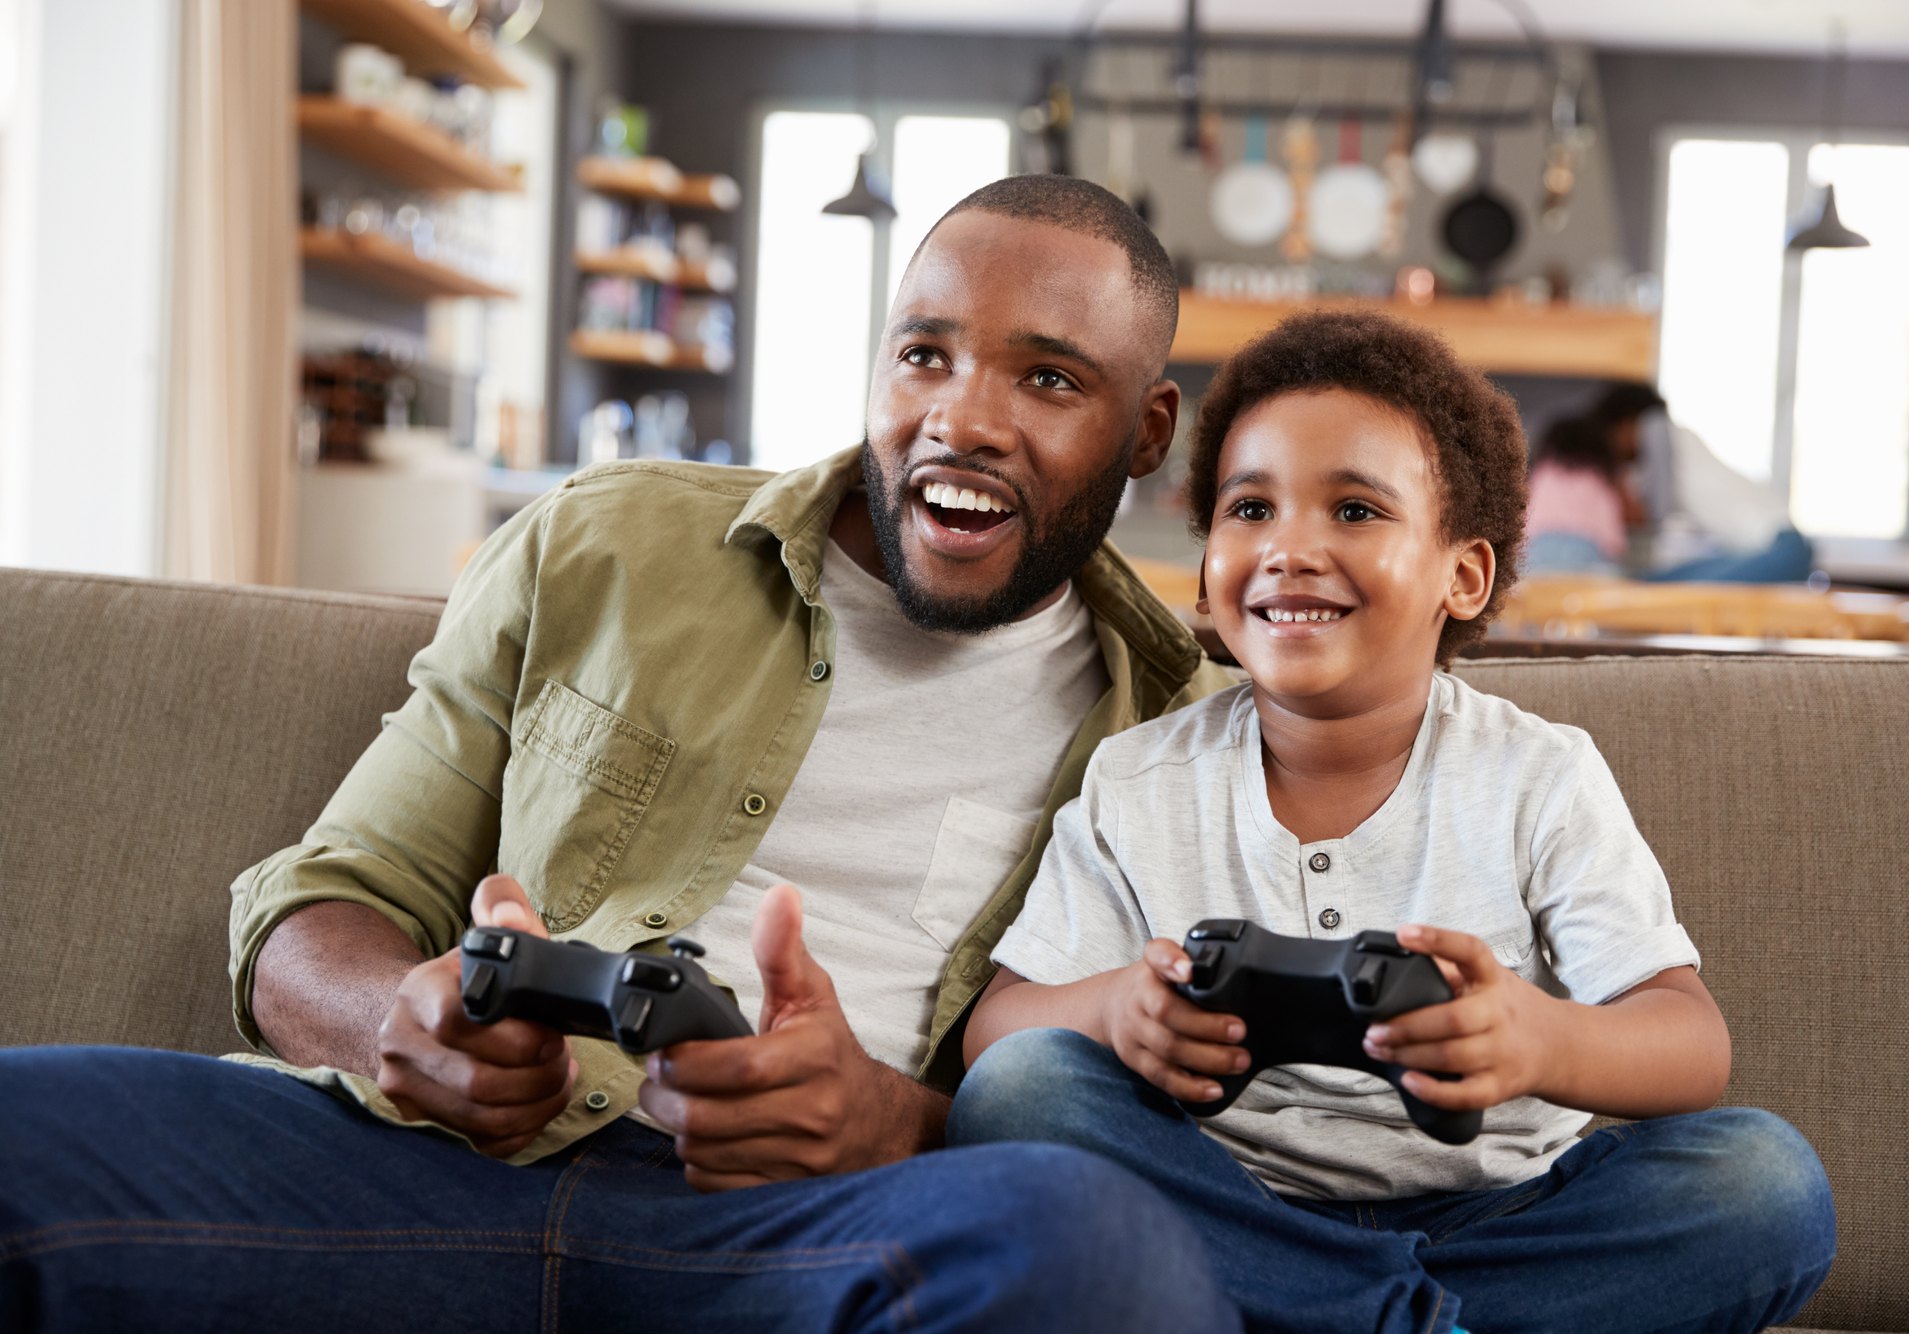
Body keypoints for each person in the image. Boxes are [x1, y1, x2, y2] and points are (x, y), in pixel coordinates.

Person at [0, 178, 1244, 1331]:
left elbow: (1148, 1107)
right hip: (420, 1169)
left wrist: (887, 1120)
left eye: (1048, 381)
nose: (962, 418)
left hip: (796, 1235)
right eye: (924, 353)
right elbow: (318, 907)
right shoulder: (609, 543)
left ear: (1146, 432)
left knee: (1102, 1254)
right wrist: (405, 1023)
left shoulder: (1186, 727)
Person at [947, 310, 1837, 1334]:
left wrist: (1536, 1036)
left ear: (1462, 574)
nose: (1288, 548)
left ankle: (1338, 1314)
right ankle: (1404, 1319)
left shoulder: (1534, 775)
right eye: (1249, 508)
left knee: (1765, 1178)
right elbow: (996, 1033)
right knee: (1019, 1089)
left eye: (1355, 509)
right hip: (1231, 1203)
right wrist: (1115, 1010)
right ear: (1204, 571)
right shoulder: (1140, 777)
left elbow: (1688, 1042)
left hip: (1500, 1215)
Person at [1598, 382, 1816, 584]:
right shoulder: (1666, 445)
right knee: (1654, 584)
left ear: (1627, 422)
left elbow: (1654, 512)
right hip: (1758, 551)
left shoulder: (1655, 427)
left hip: (1781, 548)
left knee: (1666, 592)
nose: (1613, 446)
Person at [1521, 415, 1638, 576]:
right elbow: (1612, 539)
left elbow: (1523, 525)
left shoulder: (1541, 473)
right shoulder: (1599, 479)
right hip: (1587, 561)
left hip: (1535, 560)